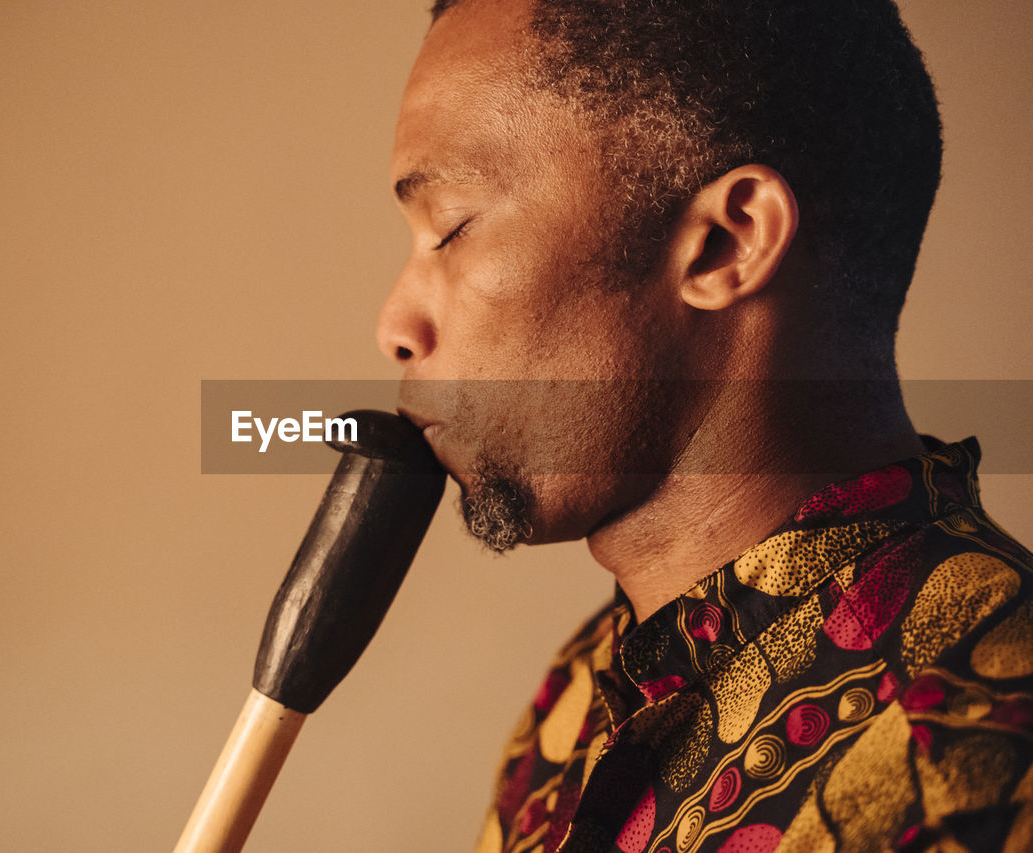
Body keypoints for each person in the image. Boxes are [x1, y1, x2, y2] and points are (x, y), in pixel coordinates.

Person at [375, 0, 1033, 850]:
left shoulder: (971, 760)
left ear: (729, 242)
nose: (394, 322)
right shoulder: (580, 691)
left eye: (452, 227)